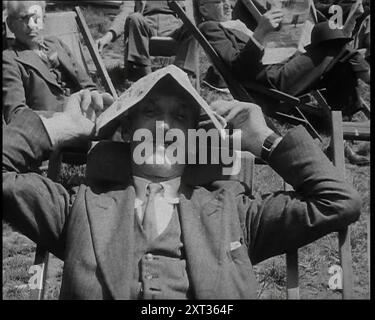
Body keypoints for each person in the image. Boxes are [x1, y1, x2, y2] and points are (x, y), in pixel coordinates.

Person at [3, 65, 361, 299]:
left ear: (194, 135)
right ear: (127, 130)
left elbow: (337, 202)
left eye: (180, 117)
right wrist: (58, 128)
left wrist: (265, 139)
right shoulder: (79, 205)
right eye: (150, 111)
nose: (164, 127)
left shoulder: (231, 210)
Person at [197, 0, 369, 115]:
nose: (227, 5)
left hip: (282, 63)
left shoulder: (235, 24)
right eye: (219, 1)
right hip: (269, 81)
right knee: (334, 44)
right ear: (204, 8)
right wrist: (261, 32)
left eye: (228, 0)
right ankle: (366, 75)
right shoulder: (210, 28)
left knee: (339, 62)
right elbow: (239, 68)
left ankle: (340, 142)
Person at [2, 1, 97, 124]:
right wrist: (66, 115)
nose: (31, 25)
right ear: (10, 24)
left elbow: (88, 85)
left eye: (36, 17)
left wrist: (96, 97)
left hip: (88, 114)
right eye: (24, 18)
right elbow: (16, 114)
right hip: (55, 129)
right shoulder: (9, 59)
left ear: (44, 19)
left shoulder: (56, 44)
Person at [96, 0, 196, 82]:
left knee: (192, 26)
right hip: (146, 29)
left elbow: (190, 15)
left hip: (174, 29)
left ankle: (181, 77)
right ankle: (143, 75)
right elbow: (125, 13)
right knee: (134, 18)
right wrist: (109, 36)